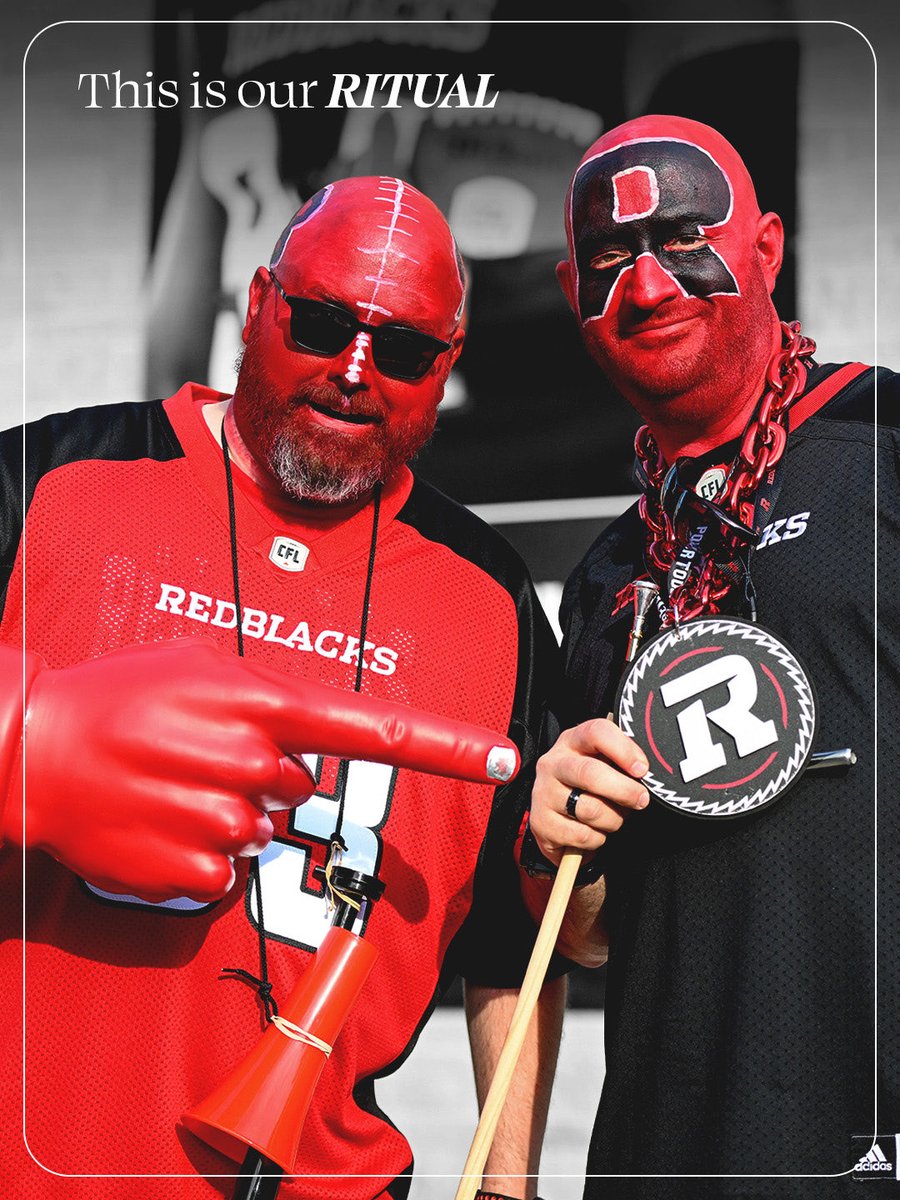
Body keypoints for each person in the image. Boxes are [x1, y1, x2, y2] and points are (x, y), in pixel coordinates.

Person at [0, 176, 565, 1200]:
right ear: (259, 303)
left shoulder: (493, 599)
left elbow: (517, 946)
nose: (354, 371)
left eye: (402, 351)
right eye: (321, 324)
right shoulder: (50, 481)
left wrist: (506, 1186)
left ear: (447, 367)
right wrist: (22, 737)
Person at [524, 114, 900, 1197]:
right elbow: (594, 939)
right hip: (666, 1157)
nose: (648, 287)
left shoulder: (885, 442)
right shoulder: (605, 576)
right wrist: (555, 845)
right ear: (572, 293)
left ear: (767, 249)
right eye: (609, 259)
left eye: (686, 239)